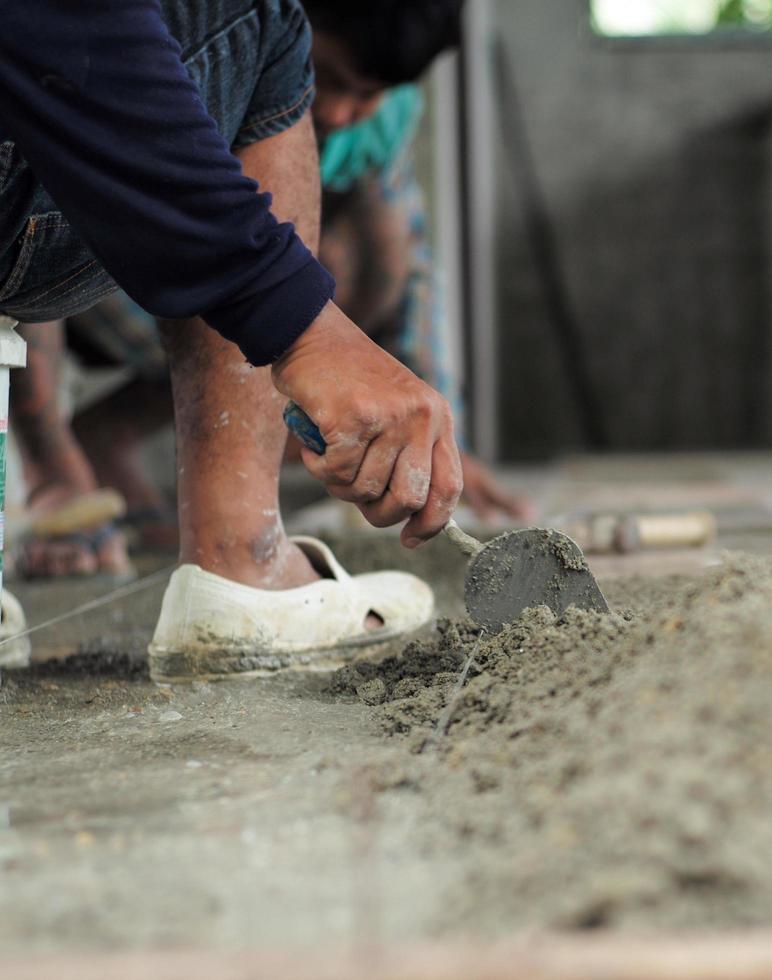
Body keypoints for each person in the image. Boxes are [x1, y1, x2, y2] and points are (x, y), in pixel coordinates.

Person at [0, 0, 466, 681]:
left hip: (144, 255)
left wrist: (428, 402)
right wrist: (307, 330)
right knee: (264, 17)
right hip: (110, 292)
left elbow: (407, 255)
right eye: (334, 80)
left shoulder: (382, 135)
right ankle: (242, 561)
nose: (341, 113)